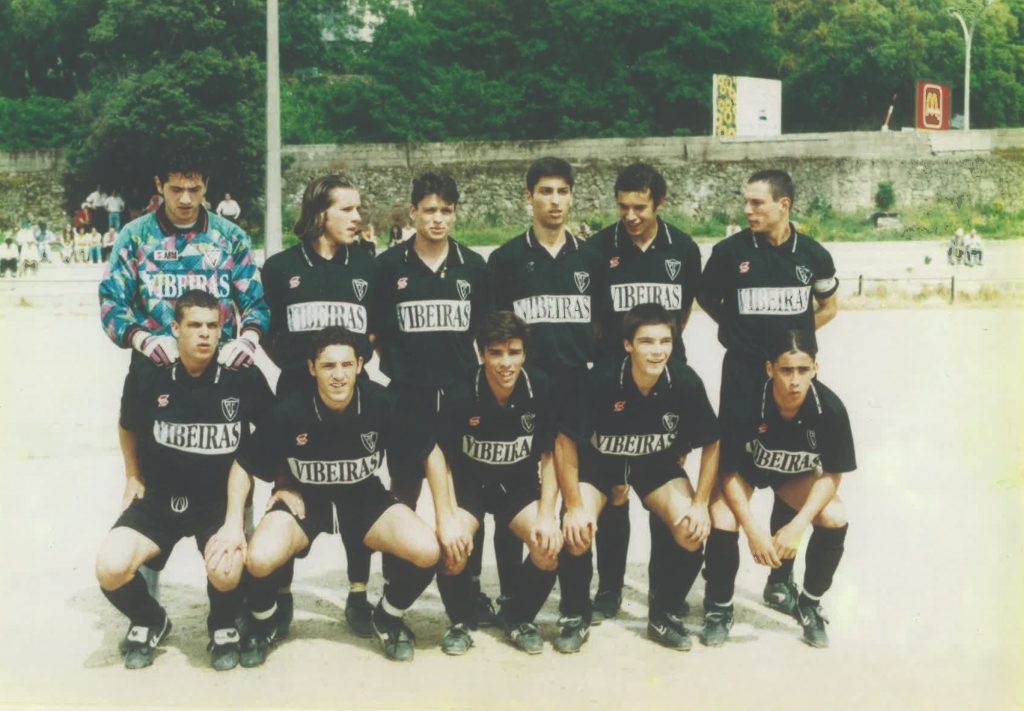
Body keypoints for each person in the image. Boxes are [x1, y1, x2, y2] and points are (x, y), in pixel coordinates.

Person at [98, 150, 270, 600]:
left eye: (195, 188)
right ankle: (148, 600)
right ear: (159, 185)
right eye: (176, 188)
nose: (187, 198)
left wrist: (248, 338)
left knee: (232, 482)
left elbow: (255, 301)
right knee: (155, 487)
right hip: (156, 371)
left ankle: (237, 596)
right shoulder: (135, 237)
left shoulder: (229, 238)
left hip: (222, 374)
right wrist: (139, 337)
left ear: (207, 185)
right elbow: (111, 302)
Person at [214, 326, 442, 665]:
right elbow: (243, 465)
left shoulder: (381, 402)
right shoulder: (290, 410)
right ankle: (265, 622)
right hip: (307, 500)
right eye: (328, 366)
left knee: (427, 550)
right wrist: (233, 524)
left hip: (364, 500)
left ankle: (389, 615)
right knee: (258, 558)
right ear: (311, 368)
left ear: (360, 365)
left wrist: (448, 515)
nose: (338, 375)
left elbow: (431, 451)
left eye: (346, 365)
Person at [94, 290, 274, 670]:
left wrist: (237, 516)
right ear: (175, 328)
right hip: (159, 499)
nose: (204, 334)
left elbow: (275, 431)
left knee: (226, 570)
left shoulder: (240, 375)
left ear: (223, 329)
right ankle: (149, 618)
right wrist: (132, 475)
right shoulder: (149, 371)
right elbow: (127, 425)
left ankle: (221, 623)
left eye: (213, 326)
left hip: (215, 504)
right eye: (194, 325)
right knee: (110, 567)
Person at [698, 168, 839, 623]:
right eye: (746, 202)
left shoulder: (813, 256)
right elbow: (707, 298)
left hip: (789, 376)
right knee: (736, 466)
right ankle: (720, 589)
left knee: (792, 463)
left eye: (757, 203)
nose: (748, 210)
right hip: (742, 374)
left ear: (785, 205)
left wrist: (794, 336)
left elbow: (830, 305)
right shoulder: (728, 253)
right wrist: (737, 330)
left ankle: (781, 577)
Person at [555, 303, 720, 653]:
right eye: (647, 341)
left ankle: (663, 613)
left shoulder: (684, 380)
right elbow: (564, 441)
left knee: (692, 530)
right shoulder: (600, 378)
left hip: (654, 466)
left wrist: (702, 503)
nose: (657, 350)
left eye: (665, 341)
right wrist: (572, 505)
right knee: (576, 530)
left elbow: (712, 442)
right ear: (628, 345)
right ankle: (574, 614)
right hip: (600, 466)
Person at [578, 162, 703, 623]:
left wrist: (657, 355)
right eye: (623, 206)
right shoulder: (597, 248)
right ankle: (609, 587)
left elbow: (682, 313)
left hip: (665, 378)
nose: (630, 215)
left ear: (659, 204)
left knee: (660, 476)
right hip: (614, 376)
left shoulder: (684, 248)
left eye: (640, 207)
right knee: (614, 487)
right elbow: (593, 316)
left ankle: (659, 590)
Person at [260, 174, 378, 637]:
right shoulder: (280, 267)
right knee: (291, 497)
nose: (357, 217)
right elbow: (268, 333)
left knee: (357, 487)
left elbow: (374, 332)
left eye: (357, 208)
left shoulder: (368, 266)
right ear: (319, 214)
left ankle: (358, 593)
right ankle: (283, 598)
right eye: (346, 209)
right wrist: (296, 369)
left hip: (352, 396)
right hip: (296, 397)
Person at [487, 157, 600, 617]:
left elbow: (604, 327)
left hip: (575, 385)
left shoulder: (591, 258)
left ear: (572, 196)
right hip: (523, 390)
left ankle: (578, 604)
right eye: (545, 191)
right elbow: (496, 334)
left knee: (576, 496)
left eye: (562, 191)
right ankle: (512, 593)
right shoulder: (507, 259)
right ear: (529, 197)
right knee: (512, 492)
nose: (555, 201)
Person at [701, 330, 854, 649]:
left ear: (815, 368)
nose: (795, 381)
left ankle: (809, 603)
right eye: (786, 370)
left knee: (835, 516)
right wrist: (753, 531)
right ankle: (719, 607)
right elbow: (727, 472)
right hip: (745, 470)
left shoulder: (830, 409)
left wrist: (797, 526)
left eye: (803, 370)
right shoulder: (745, 402)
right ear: (770, 369)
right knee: (722, 519)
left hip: (792, 475)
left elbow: (832, 474)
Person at [433, 312, 562, 656]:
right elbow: (441, 458)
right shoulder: (460, 391)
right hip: (470, 487)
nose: (506, 363)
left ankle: (518, 617)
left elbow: (551, 455)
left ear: (524, 353)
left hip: (517, 487)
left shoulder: (542, 386)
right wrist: (445, 516)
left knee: (549, 546)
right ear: (482, 354)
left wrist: (549, 513)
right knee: (452, 547)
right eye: (496, 353)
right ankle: (460, 621)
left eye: (514, 352)